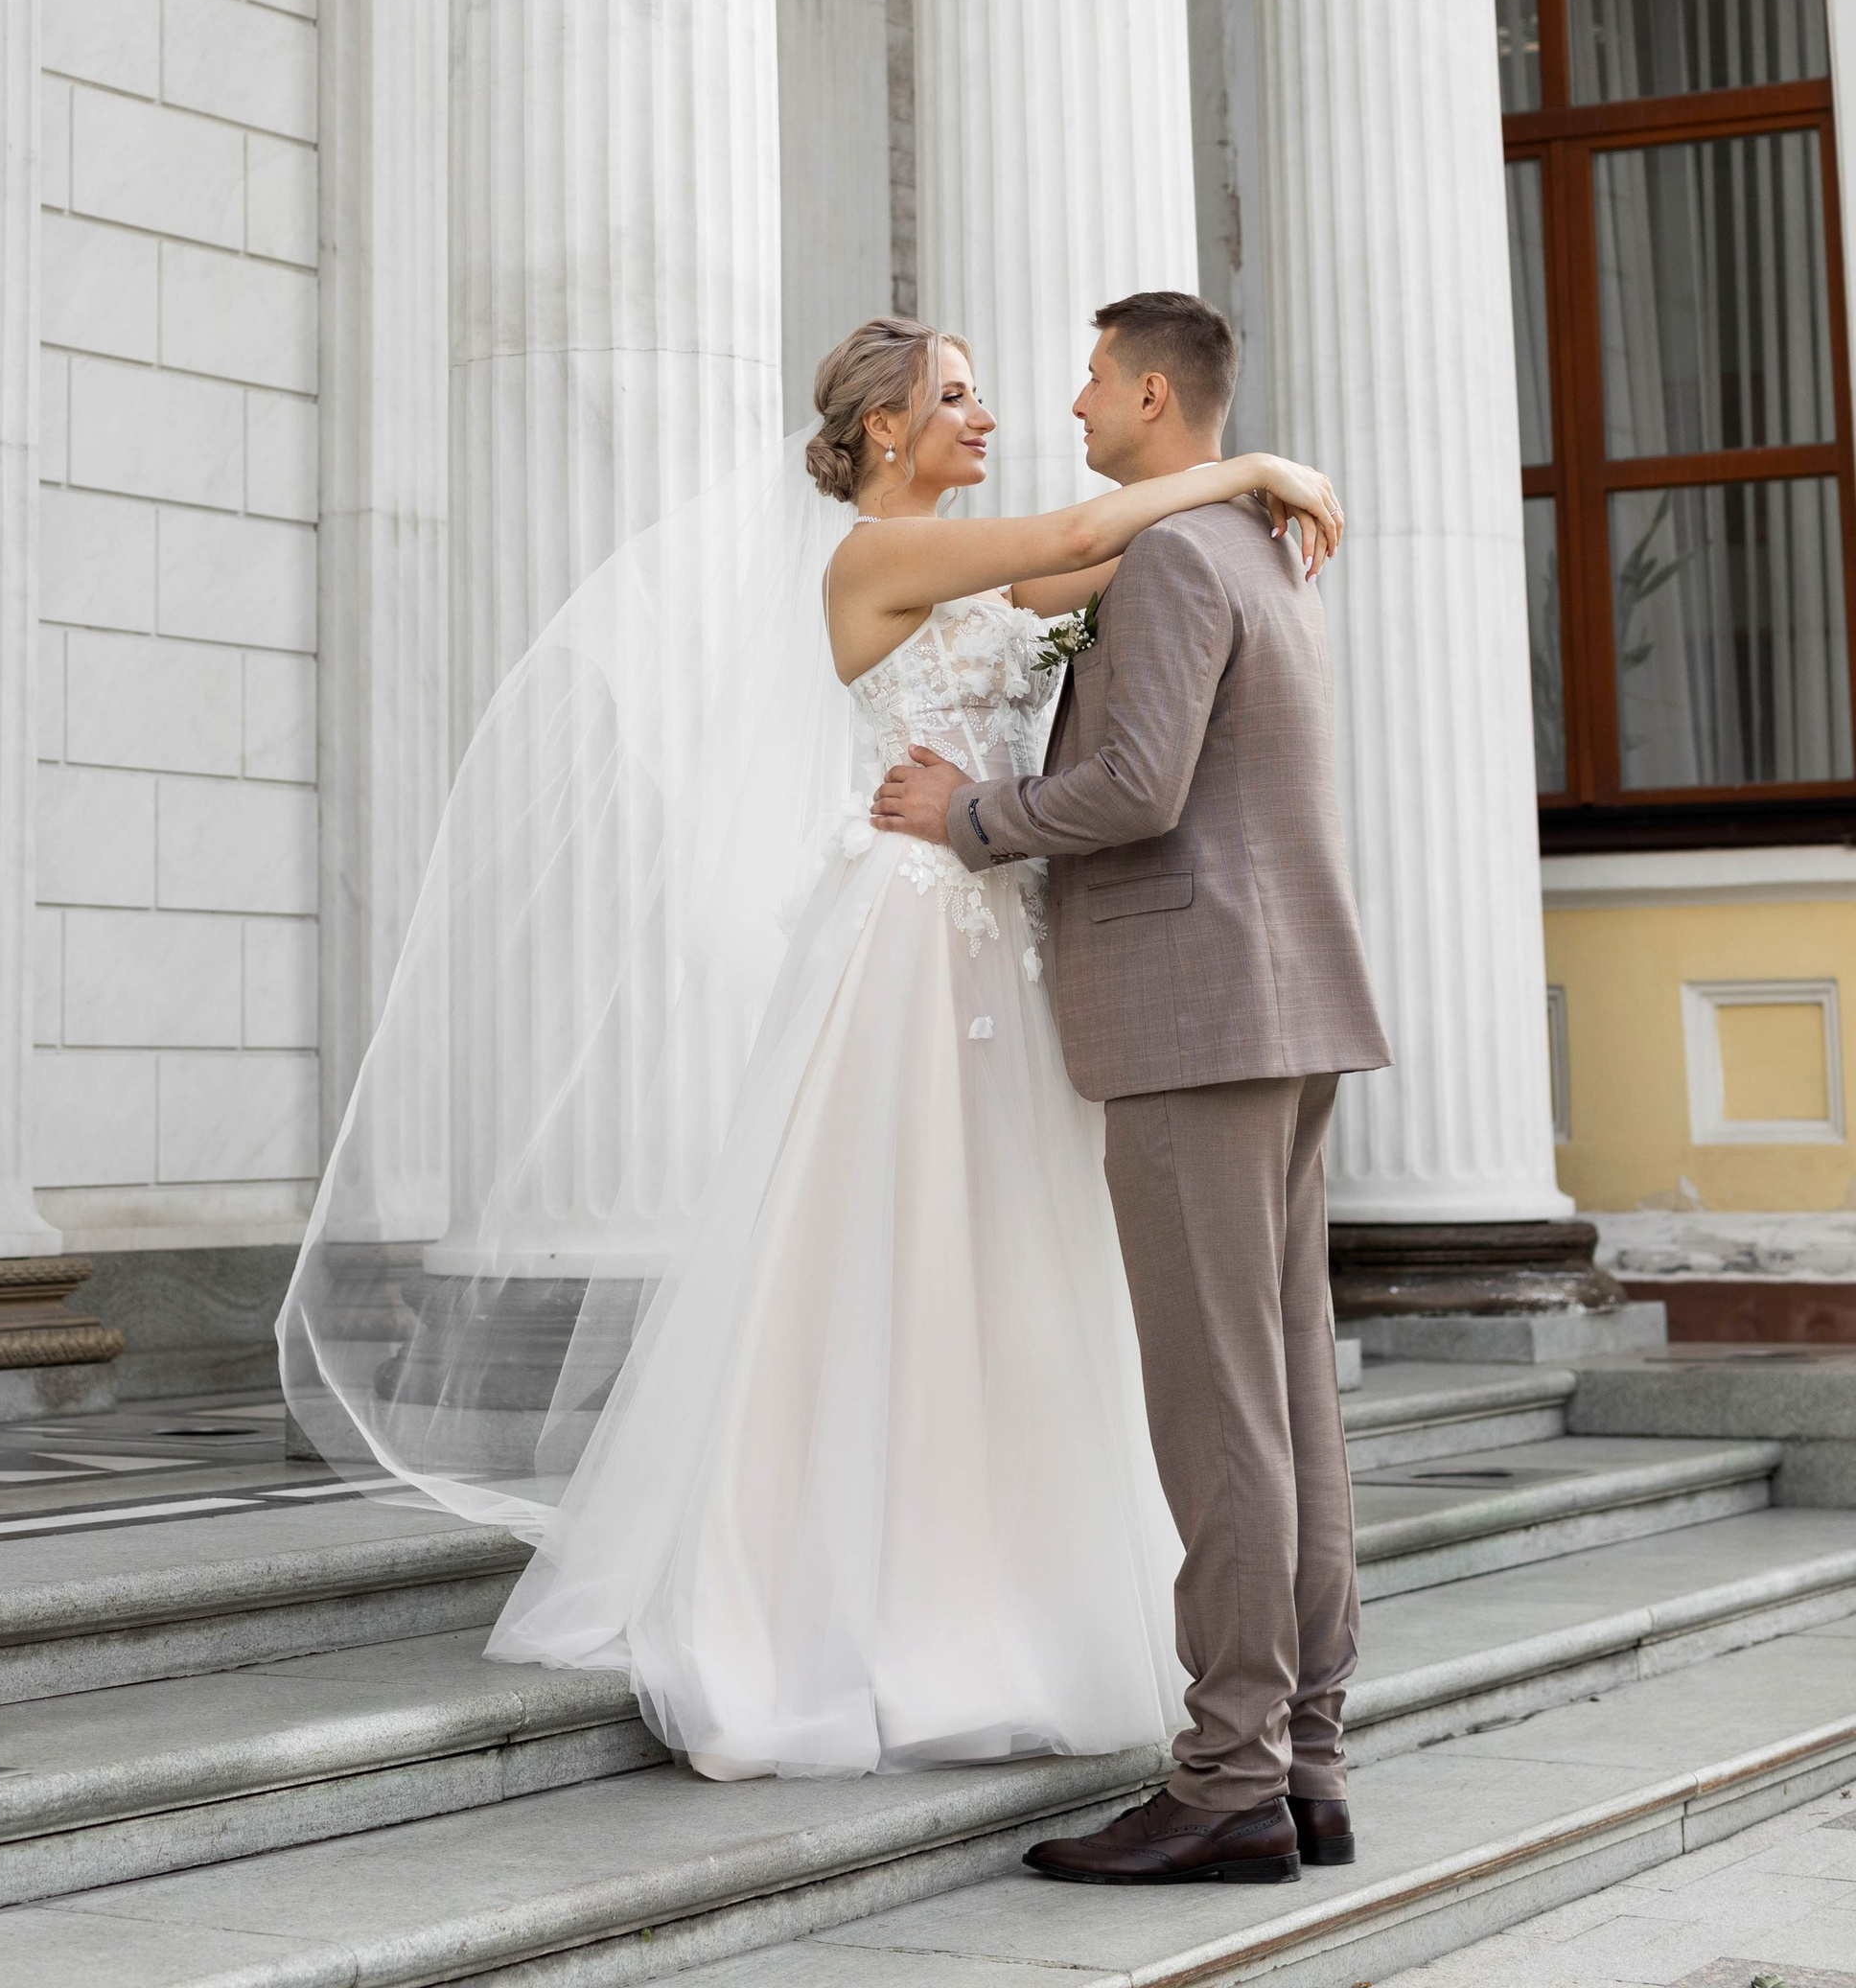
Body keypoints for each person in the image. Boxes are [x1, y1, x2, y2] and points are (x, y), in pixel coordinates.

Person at [281, 313, 1342, 1785]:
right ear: (887, 431)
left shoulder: (993, 562)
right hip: (907, 940)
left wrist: (1222, 507)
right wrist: (1255, 465)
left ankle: (1014, 1591)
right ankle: (857, 1602)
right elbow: (1100, 526)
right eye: (956, 399)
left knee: (1019, 1281)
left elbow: (1122, 574)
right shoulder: (871, 557)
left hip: (1009, 937)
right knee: (894, 1264)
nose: (990, 417)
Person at [874, 290, 1390, 1888]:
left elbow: (1136, 787)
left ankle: (1229, 1775)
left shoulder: (1178, 558)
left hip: (1193, 1021)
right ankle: (1305, 1762)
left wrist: (969, 814)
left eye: (1093, 377)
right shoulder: (1243, 545)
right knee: (1291, 1404)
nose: (1071, 398)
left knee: (1222, 1415)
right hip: (1277, 1011)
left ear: (1154, 395)